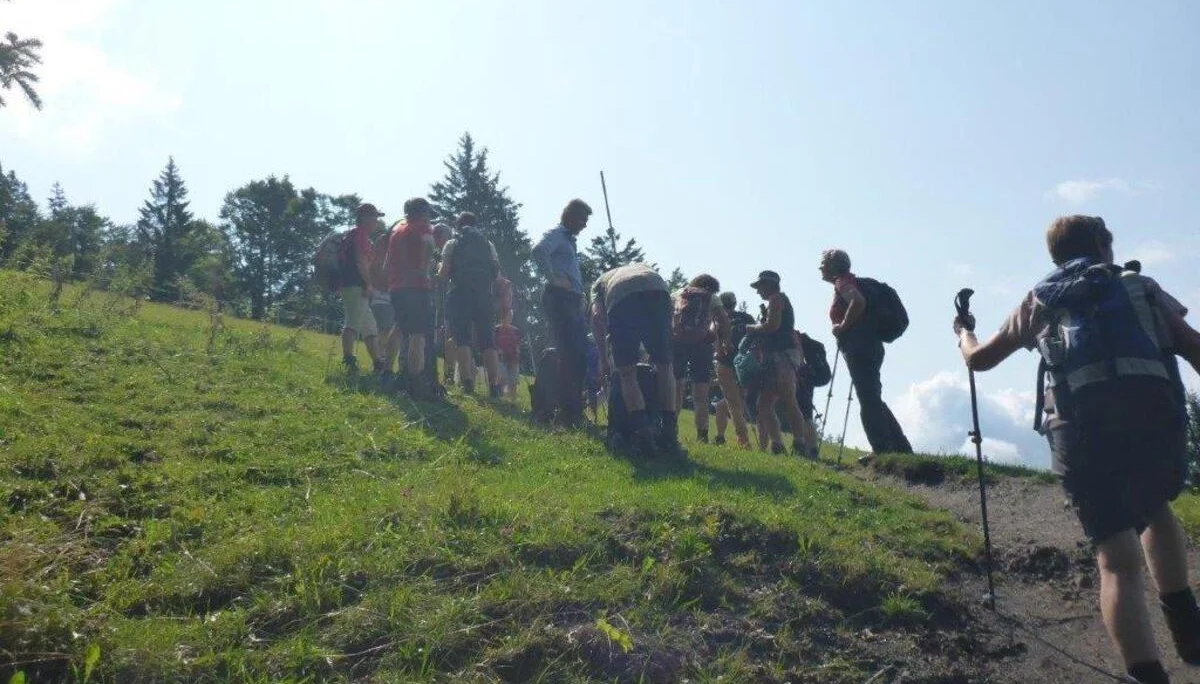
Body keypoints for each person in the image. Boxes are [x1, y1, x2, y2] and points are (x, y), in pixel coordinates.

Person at [954, 215, 1200, 684]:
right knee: (1156, 506)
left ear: (1054, 256)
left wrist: (962, 332)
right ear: (1105, 244)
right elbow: (1191, 346)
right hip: (1153, 419)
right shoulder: (1138, 285)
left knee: (1117, 559)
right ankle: (1186, 622)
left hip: (1082, 430)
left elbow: (979, 360)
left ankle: (1148, 675)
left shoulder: (1040, 298)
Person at [819, 249, 913, 454]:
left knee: (868, 398)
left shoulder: (843, 282)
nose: (820, 267)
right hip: (872, 344)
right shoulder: (853, 281)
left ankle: (882, 449)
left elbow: (858, 302)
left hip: (859, 345)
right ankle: (901, 448)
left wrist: (842, 327)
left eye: (823, 263)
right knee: (872, 396)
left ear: (832, 266)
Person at [589, 262, 684, 457]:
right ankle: (669, 433)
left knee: (627, 373)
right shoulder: (642, 268)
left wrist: (603, 359)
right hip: (658, 289)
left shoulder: (599, 283)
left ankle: (644, 433)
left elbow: (597, 317)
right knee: (665, 367)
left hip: (622, 296)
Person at [532, 199, 591, 427]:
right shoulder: (557, 233)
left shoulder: (568, 240)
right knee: (566, 351)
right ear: (571, 216)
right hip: (560, 298)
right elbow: (538, 251)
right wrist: (553, 278)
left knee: (575, 353)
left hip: (571, 300)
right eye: (582, 220)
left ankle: (569, 407)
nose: (584, 225)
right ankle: (559, 408)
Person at [746, 270, 817, 457]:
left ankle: (798, 443)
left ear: (769, 285)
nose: (758, 291)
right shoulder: (776, 300)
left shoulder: (777, 299)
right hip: (775, 355)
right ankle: (778, 445)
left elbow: (772, 326)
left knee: (787, 398)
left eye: (760, 286)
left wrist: (752, 328)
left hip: (783, 355)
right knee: (765, 404)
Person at [439, 212, 503, 397]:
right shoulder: (487, 244)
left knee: (462, 337)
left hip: (460, 293)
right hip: (484, 295)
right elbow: (497, 273)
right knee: (488, 341)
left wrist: (438, 271)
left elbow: (444, 273)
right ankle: (494, 387)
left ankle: (467, 382)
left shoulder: (453, 243)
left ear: (457, 225)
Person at [383, 198, 437, 394]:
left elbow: (387, 261)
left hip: (397, 286)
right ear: (423, 212)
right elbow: (429, 244)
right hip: (417, 286)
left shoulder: (397, 230)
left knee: (398, 327)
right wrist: (426, 269)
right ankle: (415, 380)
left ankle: (387, 370)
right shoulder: (423, 226)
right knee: (417, 335)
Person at [670, 274, 731, 444]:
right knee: (701, 392)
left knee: (676, 387)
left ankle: (670, 426)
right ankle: (702, 434)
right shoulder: (711, 297)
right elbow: (723, 320)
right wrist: (726, 341)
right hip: (702, 345)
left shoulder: (678, 293)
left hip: (677, 344)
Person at [339, 203, 385, 373]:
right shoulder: (360, 236)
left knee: (369, 327)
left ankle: (378, 363)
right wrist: (368, 283)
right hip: (357, 285)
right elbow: (361, 261)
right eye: (374, 217)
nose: (376, 221)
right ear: (364, 218)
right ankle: (349, 361)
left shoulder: (352, 235)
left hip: (351, 284)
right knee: (352, 323)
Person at [712, 291, 754, 447]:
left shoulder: (718, 320)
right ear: (734, 303)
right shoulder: (746, 318)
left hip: (725, 363)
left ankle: (743, 440)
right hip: (745, 364)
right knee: (735, 403)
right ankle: (724, 437)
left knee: (733, 404)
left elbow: (715, 343)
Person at [494, 312, 522, 399]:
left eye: (509, 316)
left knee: (513, 380)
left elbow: (518, 343)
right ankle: (501, 396)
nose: (507, 319)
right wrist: (498, 350)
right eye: (505, 317)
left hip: (513, 358)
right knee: (502, 377)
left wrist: (517, 350)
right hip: (500, 358)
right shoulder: (496, 329)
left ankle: (513, 399)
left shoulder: (516, 330)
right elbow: (493, 343)